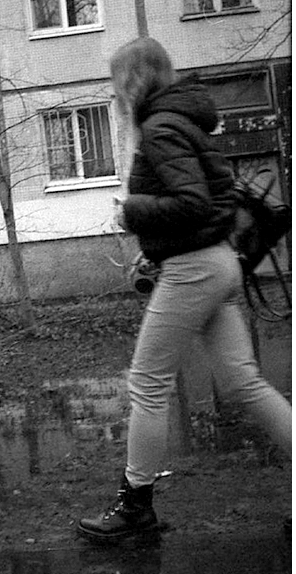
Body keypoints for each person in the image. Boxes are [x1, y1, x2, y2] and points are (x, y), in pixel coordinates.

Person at [78, 37, 292, 540]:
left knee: (147, 384)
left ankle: (135, 507)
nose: (115, 91)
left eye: (117, 81)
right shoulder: (183, 121)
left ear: (134, 80)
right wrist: (155, 249)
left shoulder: (160, 128)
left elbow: (191, 202)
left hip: (196, 270)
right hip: (217, 262)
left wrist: (131, 212)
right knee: (243, 384)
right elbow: (207, 204)